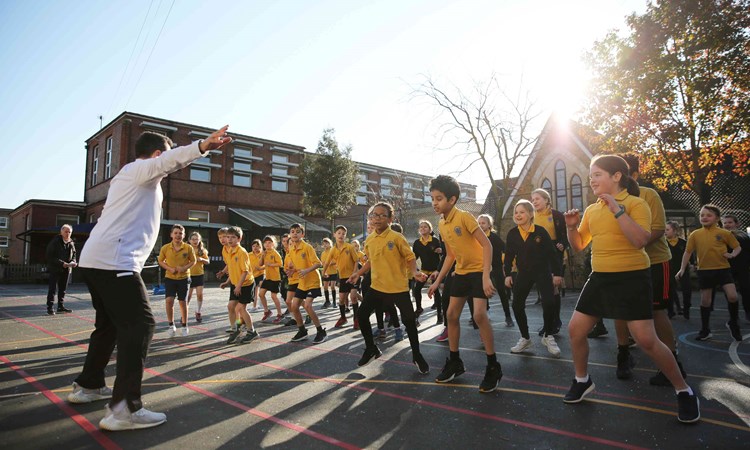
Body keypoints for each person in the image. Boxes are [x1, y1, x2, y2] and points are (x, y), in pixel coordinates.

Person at [67, 126, 232, 431]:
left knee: (108, 326)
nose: (166, 162)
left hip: (97, 260)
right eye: (165, 155)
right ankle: (124, 410)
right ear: (158, 154)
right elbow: (165, 163)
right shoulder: (141, 170)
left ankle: (88, 385)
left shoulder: (130, 179)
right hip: (114, 262)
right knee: (141, 325)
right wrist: (202, 146)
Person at [563, 154, 699, 424]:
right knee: (575, 329)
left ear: (616, 176)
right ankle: (582, 380)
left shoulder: (637, 203)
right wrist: (569, 228)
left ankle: (684, 391)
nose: (591, 180)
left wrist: (616, 209)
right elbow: (578, 245)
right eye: (590, 175)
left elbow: (640, 240)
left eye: (597, 174)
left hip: (632, 277)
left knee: (646, 340)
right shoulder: (592, 210)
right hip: (600, 276)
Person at [614, 154, 686, 384]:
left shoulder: (648, 195)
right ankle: (623, 355)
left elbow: (655, 230)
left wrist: (636, 241)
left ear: (632, 175)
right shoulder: (607, 199)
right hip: (624, 265)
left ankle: (673, 363)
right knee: (621, 311)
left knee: (656, 312)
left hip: (654, 262)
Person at [427, 175, 502, 393]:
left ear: (452, 199)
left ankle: (493, 366)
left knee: (479, 315)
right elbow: (450, 255)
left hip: (479, 271)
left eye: (439, 198)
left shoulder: (465, 217)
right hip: (460, 272)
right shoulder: (441, 223)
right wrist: (437, 281)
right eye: (432, 198)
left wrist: (486, 276)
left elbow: (487, 246)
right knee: (451, 315)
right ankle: (455, 362)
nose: (434, 203)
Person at [346, 202, 429, 373]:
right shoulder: (369, 239)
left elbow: (410, 257)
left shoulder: (397, 238)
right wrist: (358, 273)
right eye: (374, 215)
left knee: (409, 322)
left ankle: (417, 355)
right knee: (361, 315)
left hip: (398, 288)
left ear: (390, 219)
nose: (377, 218)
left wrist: (414, 272)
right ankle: (371, 349)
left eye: (382, 215)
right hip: (377, 287)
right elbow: (370, 260)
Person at [503, 200, 563, 357]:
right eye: (516, 212)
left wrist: (557, 274)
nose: (518, 215)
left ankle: (548, 335)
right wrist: (507, 273)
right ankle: (525, 338)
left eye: (522, 212)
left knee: (549, 302)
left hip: (542, 272)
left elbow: (552, 254)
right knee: (516, 305)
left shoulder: (540, 232)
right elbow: (508, 256)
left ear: (530, 214)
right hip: (523, 273)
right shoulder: (512, 234)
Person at [676, 205, 742, 341]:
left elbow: (737, 247)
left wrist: (732, 254)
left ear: (717, 218)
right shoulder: (695, 234)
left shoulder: (724, 233)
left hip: (723, 269)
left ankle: (733, 323)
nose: (704, 217)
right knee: (705, 301)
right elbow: (687, 252)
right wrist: (682, 268)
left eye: (709, 215)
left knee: (733, 296)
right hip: (704, 271)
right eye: (702, 215)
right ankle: (705, 330)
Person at [530, 189, 568, 335]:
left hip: (554, 255)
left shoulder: (557, 215)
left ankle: (555, 322)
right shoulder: (532, 217)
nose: (534, 201)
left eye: (537, 198)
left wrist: (562, 244)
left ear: (546, 200)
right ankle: (548, 322)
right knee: (544, 290)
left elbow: (565, 236)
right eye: (532, 199)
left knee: (553, 288)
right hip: (538, 255)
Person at [285, 223, 327, 343]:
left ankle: (321, 331)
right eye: (292, 231)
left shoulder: (307, 247)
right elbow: (299, 266)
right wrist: (293, 271)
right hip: (302, 282)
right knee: (294, 306)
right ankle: (302, 331)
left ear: (302, 234)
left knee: (308, 306)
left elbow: (319, 263)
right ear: (290, 234)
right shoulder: (291, 249)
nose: (295, 233)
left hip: (313, 281)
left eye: (298, 231)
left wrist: (306, 270)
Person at [221, 226, 260, 345]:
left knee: (241, 308)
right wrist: (227, 281)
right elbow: (232, 268)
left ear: (239, 238)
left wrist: (238, 286)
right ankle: (235, 329)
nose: (230, 239)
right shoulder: (228, 250)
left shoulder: (241, 252)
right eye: (228, 237)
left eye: (233, 237)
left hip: (246, 284)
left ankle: (252, 331)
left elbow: (245, 271)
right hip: (235, 283)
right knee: (230, 306)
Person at [157, 224, 196, 337]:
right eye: (176, 233)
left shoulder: (188, 248)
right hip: (170, 278)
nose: (178, 235)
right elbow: (160, 261)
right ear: (171, 235)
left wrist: (184, 268)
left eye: (180, 233)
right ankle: (171, 325)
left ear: (183, 235)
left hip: (184, 278)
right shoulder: (165, 248)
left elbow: (193, 261)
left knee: (182, 302)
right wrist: (169, 268)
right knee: (169, 301)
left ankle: (184, 325)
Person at [477, 214, 514, 327]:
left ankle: (508, 316)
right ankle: (485, 313)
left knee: (502, 292)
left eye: (483, 223)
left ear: (489, 225)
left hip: (496, 267)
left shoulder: (494, 237)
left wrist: (505, 265)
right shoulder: (476, 237)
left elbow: (505, 249)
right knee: (482, 291)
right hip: (482, 268)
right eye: (479, 223)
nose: (481, 225)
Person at [322, 226, 360, 329]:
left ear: (345, 236)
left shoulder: (349, 247)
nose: (341, 235)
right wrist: (323, 272)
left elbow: (356, 260)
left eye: (343, 233)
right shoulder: (333, 250)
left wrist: (354, 273)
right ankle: (343, 318)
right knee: (342, 299)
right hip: (343, 277)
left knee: (353, 297)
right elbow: (327, 262)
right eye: (339, 233)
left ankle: (356, 319)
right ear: (334, 235)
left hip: (353, 276)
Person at [411, 220, 444, 320]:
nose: (423, 228)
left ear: (430, 229)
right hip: (424, 271)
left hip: (435, 270)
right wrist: (414, 269)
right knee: (417, 289)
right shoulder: (417, 243)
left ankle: (439, 313)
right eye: (421, 227)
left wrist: (440, 251)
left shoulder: (435, 241)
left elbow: (444, 252)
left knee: (436, 292)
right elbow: (414, 257)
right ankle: (419, 308)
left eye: (425, 227)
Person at [721, 214, 750, 322]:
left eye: (730, 222)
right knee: (730, 293)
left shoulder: (743, 237)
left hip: (742, 267)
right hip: (727, 268)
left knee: (746, 289)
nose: (727, 225)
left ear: (737, 224)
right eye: (725, 223)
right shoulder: (721, 237)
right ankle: (733, 315)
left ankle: (748, 312)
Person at [45, 224, 77, 315]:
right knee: (52, 289)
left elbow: (74, 254)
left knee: (63, 289)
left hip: (67, 269)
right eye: (66, 231)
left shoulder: (71, 242)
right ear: (61, 232)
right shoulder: (55, 242)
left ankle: (60, 307)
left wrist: (73, 262)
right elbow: (49, 256)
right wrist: (62, 263)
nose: (67, 233)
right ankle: (50, 308)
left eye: (69, 232)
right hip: (55, 269)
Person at [259, 235, 284, 323]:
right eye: (265, 243)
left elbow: (280, 263)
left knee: (273, 296)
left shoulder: (275, 253)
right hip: (268, 277)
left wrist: (271, 264)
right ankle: (267, 311)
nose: (267, 244)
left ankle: (280, 314)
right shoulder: (265, 253)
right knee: (261, 294)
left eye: (269, 242)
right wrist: (262, 255)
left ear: (273, 244)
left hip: (275, 278)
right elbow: (260, 264)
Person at [665, 222, 688, 318]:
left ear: (675, 231)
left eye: (667, 230)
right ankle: (672, 311)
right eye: (664, 230)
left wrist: (691, 263)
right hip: (669, 269)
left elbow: (688, 254)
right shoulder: (663, 243)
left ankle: (686, 309)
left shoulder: (683, 242)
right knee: (670, 290)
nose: (665, 232)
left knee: (686, 289)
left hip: (682, 269)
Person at [186, 232, 209, 323]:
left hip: (199, 275)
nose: (195, 241)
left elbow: (208, 261)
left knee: (199, 294)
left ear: (200, 240)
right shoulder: (186, 249)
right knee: (188, 296)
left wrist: (202, 259)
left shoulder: (202, 250)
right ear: (189, 240)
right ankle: (185, 313)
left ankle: (198, 311)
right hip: (188, 275)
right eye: (193, 239)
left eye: (197, 239)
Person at [320, 237, 338, 308]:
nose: (325, 245)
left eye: (326, 243)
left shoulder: (333, 251)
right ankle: (327, 301)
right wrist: (323, 265)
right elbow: (322, 262)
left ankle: (334, 302)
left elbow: (336, 260)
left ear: (330, 244)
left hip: (333, 271)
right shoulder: (323, 253)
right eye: (324, 243)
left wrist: (330, 263)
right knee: (325, 287)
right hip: (326, 272)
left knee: (333, 286)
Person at [248, 239, 265, 312]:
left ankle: (262, 304)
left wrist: (260, 268)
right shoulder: (249, 255)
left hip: (261, 274)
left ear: (260, 246)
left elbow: (266, 265)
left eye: (257, 246)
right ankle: (254, 306)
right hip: (252, 275)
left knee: (261, 290)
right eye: (253, 246)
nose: (255, 248)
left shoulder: (263, 254)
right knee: (255, 292)